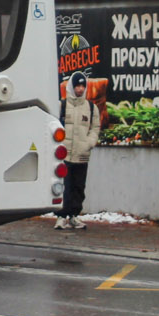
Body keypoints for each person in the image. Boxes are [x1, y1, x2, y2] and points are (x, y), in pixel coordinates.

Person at [56, 71, 100, 230]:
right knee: (64, 187)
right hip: (64, 154)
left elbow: (95, 128)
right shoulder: (61, 105)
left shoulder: (91, 108)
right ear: (71, 87)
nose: (80, 89)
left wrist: (89, 143)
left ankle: (74, 216)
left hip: (82, 155)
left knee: (78, 187)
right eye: (77, 86)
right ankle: (61, 217)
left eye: (82, 86)